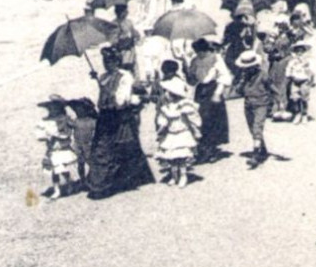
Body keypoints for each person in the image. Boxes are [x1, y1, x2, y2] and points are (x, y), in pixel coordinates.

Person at [87, 46, 154, 199]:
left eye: (110, 61)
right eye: (105, 60)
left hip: (119, 117)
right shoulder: (103, 76)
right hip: (105, 117)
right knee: (102, 148)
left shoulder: (125, 77)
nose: (107, 63)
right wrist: (99, 82)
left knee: (121, 148)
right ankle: (101, 184)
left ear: (117, 61)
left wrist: (109, 92)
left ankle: (117, 183)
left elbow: (121, 102)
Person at [154, 69, 202, 188]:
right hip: (171, 134)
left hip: (182, 133)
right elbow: (163, 119)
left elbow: (193, 119)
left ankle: (183, 176)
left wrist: (196, 130)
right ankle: (174, 176)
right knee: (172, 158)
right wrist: (161, 130)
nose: (166, 94)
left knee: (181, 158)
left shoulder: (185, 105)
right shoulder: (166, 106)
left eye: (169, 92)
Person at [187, 38, 231, 161]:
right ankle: (203, 147)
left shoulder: (215, 58)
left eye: (200, 51)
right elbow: (192, 79)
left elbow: (224, 76)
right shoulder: (195, 60)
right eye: (196, 51)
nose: (198, 54)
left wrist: (217, 93)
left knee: (212, 119)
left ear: (205, 49)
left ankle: (211, 149)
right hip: (200, 91)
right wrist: (189, 74)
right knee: (199, 118)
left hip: (213, 89)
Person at [36, 94, 84, 200]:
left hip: (63, 148)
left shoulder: (65, 119)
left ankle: (69, 183)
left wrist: (62, 134)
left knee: (59, 168)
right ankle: (57, 189)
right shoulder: (45, 121)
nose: (52, 109)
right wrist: (45, 135)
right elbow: (39, 135)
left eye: (55, 107)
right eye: (50, 107)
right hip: (52, 150)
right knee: (55, 170)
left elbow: (73, 128)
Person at [235, 49, 273, 165]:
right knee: (252, 128)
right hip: (248, 103)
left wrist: (278, 103)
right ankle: (263, 150)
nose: (246, 69)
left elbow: (272, 88)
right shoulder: (244, 76)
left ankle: (256, 155)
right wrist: (241, 82)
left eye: (249, 67)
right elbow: (238, 91)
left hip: (261, 104)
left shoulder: (263, 75)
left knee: (257, 127)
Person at [286, 42, 315, 123]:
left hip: (304, 80)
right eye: (297, 51)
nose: (299, 53)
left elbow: (312, 72)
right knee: (295, 98)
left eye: (301, 51)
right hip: (295, 80)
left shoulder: (307, 61)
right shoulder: (292, 62)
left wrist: (307, 69)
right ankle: (297, 113)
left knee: (304, 98)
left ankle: (304, 114)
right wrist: (290, 75)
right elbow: (288, 70)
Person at [111, 2, 140, 71]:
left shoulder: (129, 22)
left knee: (132, 70)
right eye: (125, 11)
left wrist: (135, 37)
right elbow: (113, 40)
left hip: (131, 51)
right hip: (121, 52)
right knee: (122, 70)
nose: (127, 12)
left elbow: (135, 34)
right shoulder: (113, 24)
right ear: (120, 12)